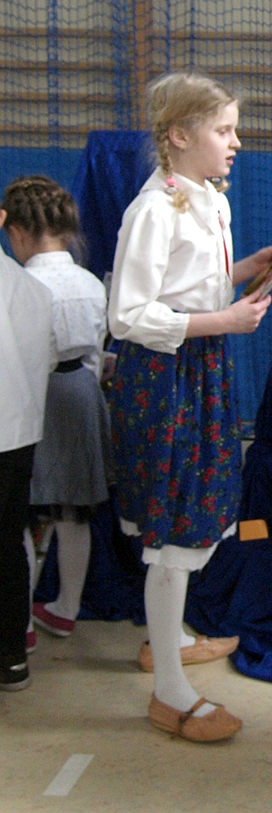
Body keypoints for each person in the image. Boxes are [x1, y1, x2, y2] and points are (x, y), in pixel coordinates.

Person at [107, 72, 272, 742]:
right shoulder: (153, 210)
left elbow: (189, 286)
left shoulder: (207, 198)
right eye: (223, 130)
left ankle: (168, 637)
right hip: (166, 377)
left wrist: (243, 271)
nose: (236, 142)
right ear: (178, 135)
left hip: (200, 367)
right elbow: (127, 315)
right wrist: (224, 321)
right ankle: (169, 689)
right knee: (174, 520)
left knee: (193, 505)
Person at [2, 176, 113, 650]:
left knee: (21, 515)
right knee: (73, 513)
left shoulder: (22, 284)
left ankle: (20, 623)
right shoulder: (90, 282)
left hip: (35, 398)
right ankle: (67, 609)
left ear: (17, 232)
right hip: (83, 394)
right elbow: (97, 351)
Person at [0, 220, 55, 691]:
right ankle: (12, 657)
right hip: (19, 435)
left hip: (14, 430)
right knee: (8, 543)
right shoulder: (32, 289)